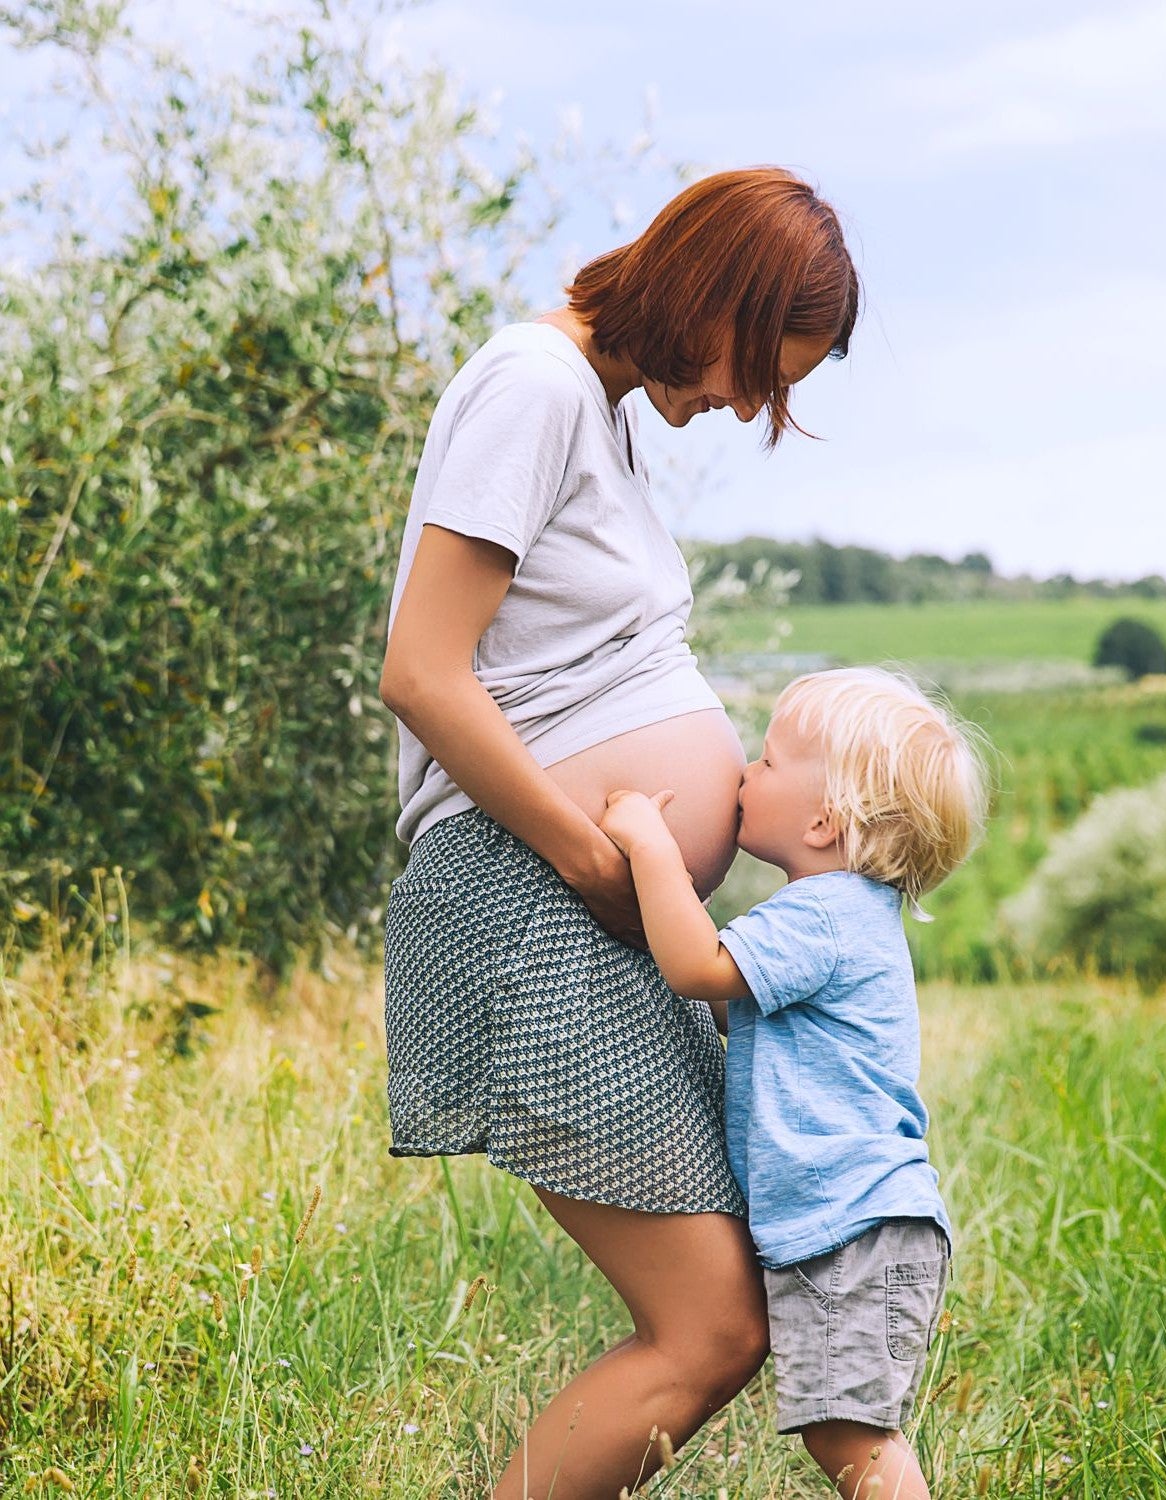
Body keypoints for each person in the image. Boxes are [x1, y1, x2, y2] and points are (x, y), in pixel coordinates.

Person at [378, 168, 859, 1499]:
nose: (749, 406)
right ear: (704, 292)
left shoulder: (596, 410)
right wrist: (601, 862)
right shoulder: (534, 387)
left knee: (739, 1305)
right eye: (758, 367)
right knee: (710, 1327)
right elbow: (422, 672)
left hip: (580, 917)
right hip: (527, 902)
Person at [599, 667, 991, 1500]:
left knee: (854, 1438)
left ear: (824, 819)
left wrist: (647, 844)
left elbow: (696, 966)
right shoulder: (842, 915)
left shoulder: (823, 914)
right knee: (841, 1431)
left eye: (769, 763)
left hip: (856, 1230)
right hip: (853, 1226)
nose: (744, 773)